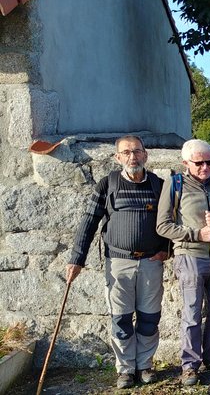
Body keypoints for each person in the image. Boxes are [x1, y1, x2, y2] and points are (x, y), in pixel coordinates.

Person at [67, 135, 168, 389]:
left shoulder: (159, 185)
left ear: (145, 155)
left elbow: (172, 221)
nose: (132, 156)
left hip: (150, 263)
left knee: (149, 317)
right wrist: (76, 259)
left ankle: (144, 365)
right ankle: (125, 369)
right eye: (126, 152)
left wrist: (167, 250)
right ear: (118, 157)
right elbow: (89, 222)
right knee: (121, 318)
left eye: (137, 151)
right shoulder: (107, 184)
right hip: (118, 263)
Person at [156, 139, 210, 386]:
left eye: (209, 162)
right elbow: (163, 225)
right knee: (191, 313)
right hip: (190, 256)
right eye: (199, 163)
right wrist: (196, 234)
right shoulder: (175, 184)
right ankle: (190, 365)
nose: (205, 167)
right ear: (186, 162)